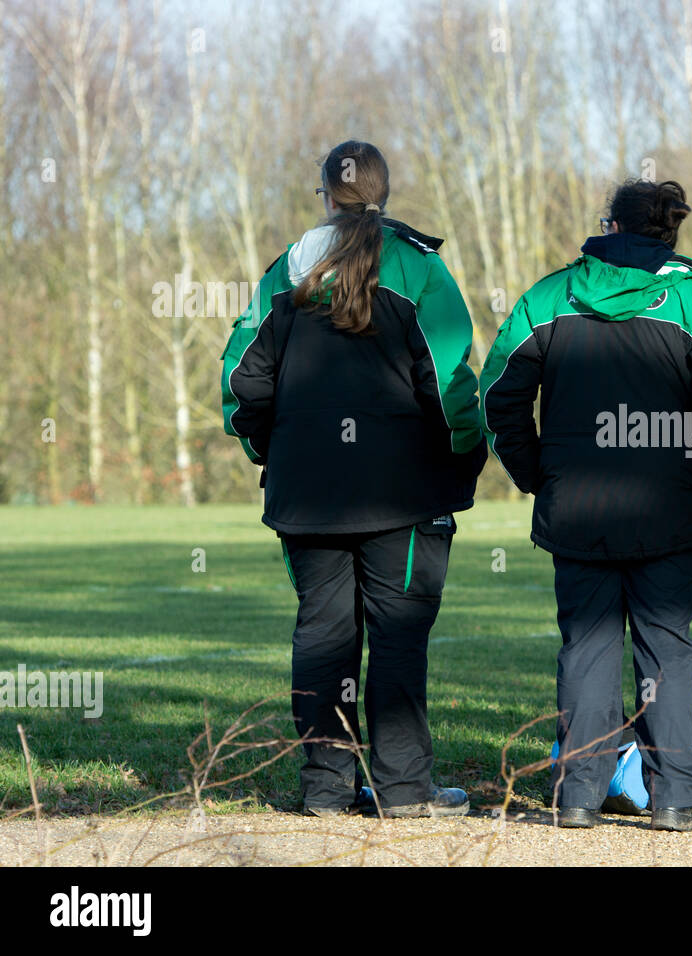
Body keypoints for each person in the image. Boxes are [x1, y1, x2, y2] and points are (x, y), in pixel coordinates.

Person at [220, 140, 487, 818]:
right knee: (397, 637)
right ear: (383, 193)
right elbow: (452, 384)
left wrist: (268, 447)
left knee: (322, 634)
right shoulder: (421, 269)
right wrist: (467, 454)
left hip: (305, 493)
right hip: (403, 493)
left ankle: (326, 790)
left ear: (325, 194)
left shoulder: (286, 268)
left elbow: (240, 380)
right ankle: (403, 791)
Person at [480, 179, 692, 831]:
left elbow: (496, 396)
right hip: (673, 507)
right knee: (667, 651)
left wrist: (535, 472)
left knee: (587, 649)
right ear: (671, 235)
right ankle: (678, 801)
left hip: (575, 507)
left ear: (607, 223)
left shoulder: (548, 297)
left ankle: (577, 796)